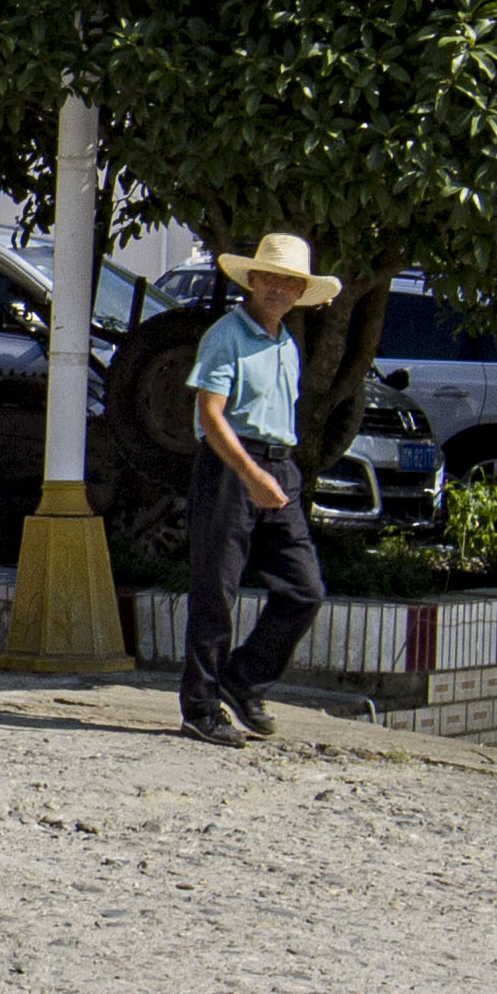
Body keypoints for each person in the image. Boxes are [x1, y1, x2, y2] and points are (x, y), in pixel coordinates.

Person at [179, 233, 334, 746]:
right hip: (232, 469)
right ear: (252, 280)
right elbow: (209, 414)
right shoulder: (227, 335)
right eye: (271, 278)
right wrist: (250, 473)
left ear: (299, 291)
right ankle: (200, 707)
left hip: (278, 467)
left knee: (305, 589)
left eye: (291, 282)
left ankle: (242, 679)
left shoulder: (285, 341)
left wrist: (274, 474)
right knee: (215, 591)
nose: (280, 289)